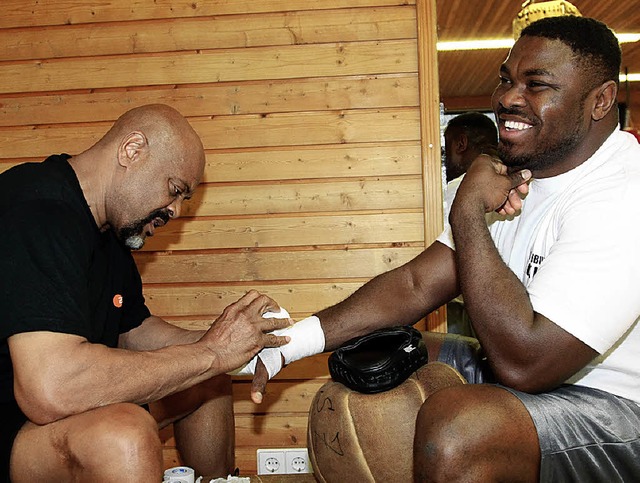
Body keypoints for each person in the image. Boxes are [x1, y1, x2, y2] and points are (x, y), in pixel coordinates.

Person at [248, 15, 640, 481]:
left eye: (537, 85)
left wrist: (467, 214)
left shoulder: (622, 194)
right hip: (524, 372)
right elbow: (414, 284)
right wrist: (285, 346)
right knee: (377, 355)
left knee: (458, 426)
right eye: (507, 79)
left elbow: (528, 365)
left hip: (617, 409)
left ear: (601, 101)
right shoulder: (514, 176)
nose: (509, 99)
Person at [0, 104, 292, 482]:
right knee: (123, 433)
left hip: (50, 409)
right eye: (174, 191)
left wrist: (236, 346)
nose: (174, 211)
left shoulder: (109, 230)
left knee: (205, 372)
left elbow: (134, 331)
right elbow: (51, 388)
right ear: (132, 150)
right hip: (17, 422)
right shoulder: (38, 209)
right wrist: (210, 351)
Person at [441, 112, 498, 336]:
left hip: (466, 306)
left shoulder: (453, 192)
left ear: (461, 143)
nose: (444, 159)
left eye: (446, 149)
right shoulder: (516, 185)